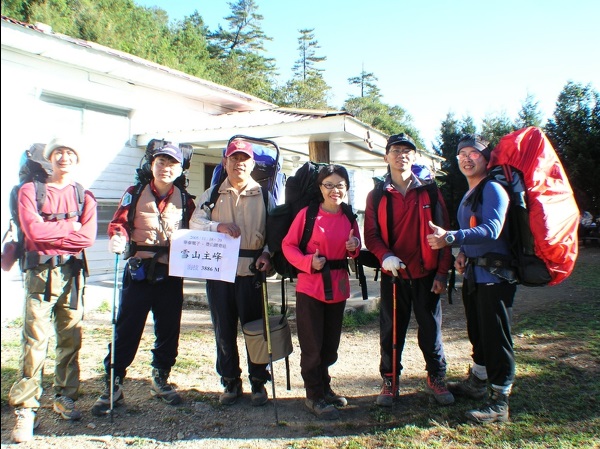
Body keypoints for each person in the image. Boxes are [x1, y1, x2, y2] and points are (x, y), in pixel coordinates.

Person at [91, 143, 196, 416]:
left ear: (180, 169)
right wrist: (117, 236)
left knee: (169, 328)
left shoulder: (186, 201)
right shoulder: (134, 193)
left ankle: (161, 376)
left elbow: (197, 233)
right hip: (138, 272)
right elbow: (119, 223)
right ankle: (113, 382)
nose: (166, 168)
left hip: (171, 273)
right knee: (127, 327)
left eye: (172, 163)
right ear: (152, 165)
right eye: (161, 162)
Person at [9, 136, 98, 443]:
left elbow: (87, 238)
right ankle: (26, 407)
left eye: (70, 152)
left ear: (77, 158)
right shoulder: (30, 191)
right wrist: (68, 229)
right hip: (40, 274)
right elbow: (32, 231)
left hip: (73, 273)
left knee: (70, 335)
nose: (64, 157)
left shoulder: (84, 195)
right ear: (49, 158)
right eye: (58, 152)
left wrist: (55, 234)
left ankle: (65, 395)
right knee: (35, 338)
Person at [427, 134, 517, 424]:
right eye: (461, 154)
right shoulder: (471, 194)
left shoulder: (493, 189)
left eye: (473, 153)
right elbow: (474, 230)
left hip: (495, 276)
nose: (467, 158)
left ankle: (500, 401)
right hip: (476, 276)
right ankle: (478, 383)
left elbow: (491, 229)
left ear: (486, 158)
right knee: (478, 333)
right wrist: (463, 251)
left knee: (497, 339)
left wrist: (452, 239)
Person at [363, 133, 454, 408]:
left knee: (430, 330)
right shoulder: (377, 194)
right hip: (393, 276)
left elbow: (445, 234)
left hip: (426, 275)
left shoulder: (430, 191)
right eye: (395, 150)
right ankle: (390, 381)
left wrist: (442, 273)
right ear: (386, 156)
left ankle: (436, 378)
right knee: (391, 330)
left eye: (407, 151)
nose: (401, 154)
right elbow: (371, 234)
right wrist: (385, 255)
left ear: (414, 157)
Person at [189, 138, 273, 407]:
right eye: (234, 158)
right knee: (223, 330)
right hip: (219, 273)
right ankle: (230, 382)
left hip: (251, 274)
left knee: (255, 331)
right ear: (225, 162)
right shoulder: (212, 194)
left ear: (252, 164)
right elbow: (195, 224)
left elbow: (276, 232)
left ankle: (258, 382)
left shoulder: (265, 195)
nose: (239, 163)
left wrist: (267, 253)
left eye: (244, 159)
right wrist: (218, 227)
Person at [282, 164, 362, 420]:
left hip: (337, 287)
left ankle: (324, 388)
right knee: (312, 345)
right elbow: (288, 245)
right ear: (320, 188)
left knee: (330, 345)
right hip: (311, 287)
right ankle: (313, 395)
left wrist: (354, 246)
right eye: (329, 185)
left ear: (346, 189)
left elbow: (354, 249)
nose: (334, 190)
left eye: (340, 185)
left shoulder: (349, 216)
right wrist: (308, 263)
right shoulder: (307, 215)